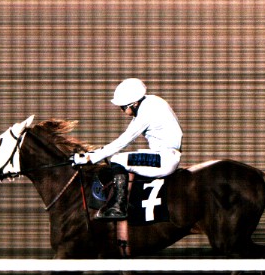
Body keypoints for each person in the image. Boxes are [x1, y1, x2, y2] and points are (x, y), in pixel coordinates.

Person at [73, 78, 183, 223]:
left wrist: (90, 158)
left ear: (134, 103)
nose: (122, 110)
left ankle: (119, 207)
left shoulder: (146, 112)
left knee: (117, 159)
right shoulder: (152, 102)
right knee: (128, 155)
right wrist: (95, 153)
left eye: (123, 107)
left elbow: (123, 141)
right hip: (166, 155)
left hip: (164, 160)